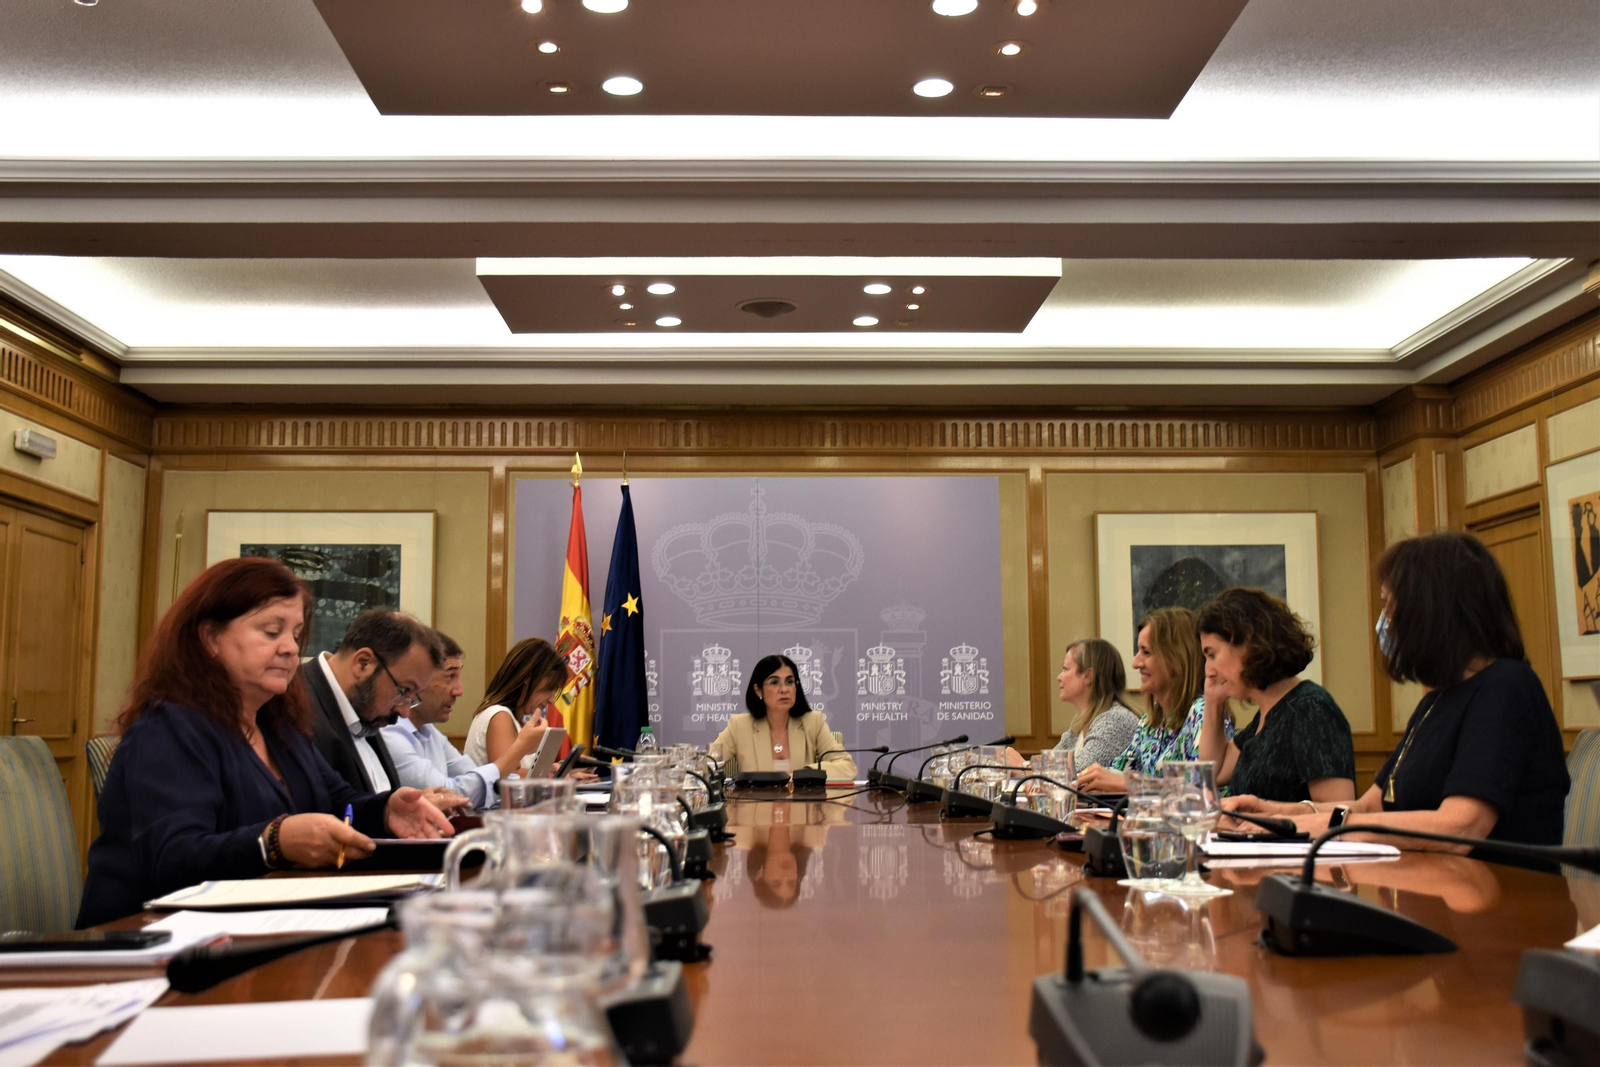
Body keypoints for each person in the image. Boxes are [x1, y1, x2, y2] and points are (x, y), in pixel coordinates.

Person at [78, 558, 454, 928]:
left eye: (295, 633)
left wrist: (386, 810)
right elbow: (173, 859)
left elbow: (338, 802)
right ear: (210, 638)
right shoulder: (167, 729)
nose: (291, 648)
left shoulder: (277, 725)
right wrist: (274, 841)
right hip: (144, 944)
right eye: (272, 632)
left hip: (250, 930)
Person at [1224, 531, 1570, 864]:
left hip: (1504, 905)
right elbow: (1371, 806)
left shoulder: (1506, 687)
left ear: (1429, 612)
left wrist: (1326, 828)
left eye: (1389, 606)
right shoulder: (1437, 700)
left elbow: (1462, 825)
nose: (1384, 622)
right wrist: (1277, 813)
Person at [1195, 587, 1355, 804]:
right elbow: (1215, 771)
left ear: (1248, 643)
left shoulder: (1311, 708)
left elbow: (1338, 809)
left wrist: (1264, 812)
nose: (1209, 670)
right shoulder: (1265, 715)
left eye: (1212, 655)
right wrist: (1214, 701)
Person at [1075, 607, 1229, 794]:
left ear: (1176, 658)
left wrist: (1128, 785)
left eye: (1146, 652)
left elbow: (1206, 790)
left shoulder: (1203, 712)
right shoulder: (1151, 721)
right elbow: (1116, 772)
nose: (1135, 663)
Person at [383, 632, 545, 809]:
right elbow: (450, 794)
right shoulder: (391, 731)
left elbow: (474, 776)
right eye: (450, 676)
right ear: (419, 679)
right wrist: (520, 749)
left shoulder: (429, 732)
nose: (459, 690)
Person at [304, 609, 442, 794]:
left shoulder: (364, 710)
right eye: (404, 690)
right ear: (363, 664)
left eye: (413, 697)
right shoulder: (293, 707)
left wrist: (404, 808)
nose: (405, 712)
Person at [709, 654, 857, 780]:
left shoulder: (813, 722)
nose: (784, 689)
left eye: (789, 682)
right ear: (758, 690)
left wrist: (805, 773)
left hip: (803, 809)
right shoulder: (739, 726)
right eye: (774, 682)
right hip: (755, 809)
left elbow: (847, 767)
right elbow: (708, 765)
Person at [464, 637, 567, 768]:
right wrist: (555, 776)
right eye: (549, 689)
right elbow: (510, 778)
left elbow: (528, 774)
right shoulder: (499, 716)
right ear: (526, 678)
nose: (552, 700)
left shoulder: (513, 720)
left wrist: (564, 770)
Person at [1051, 638, 1140, 773]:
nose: (1059, 677)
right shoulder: (1081, 721)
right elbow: (1051, 762)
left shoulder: (1116, 719)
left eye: (1065, 669)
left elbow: (1079, 772)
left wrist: (1023, 766)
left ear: (1088, 676)